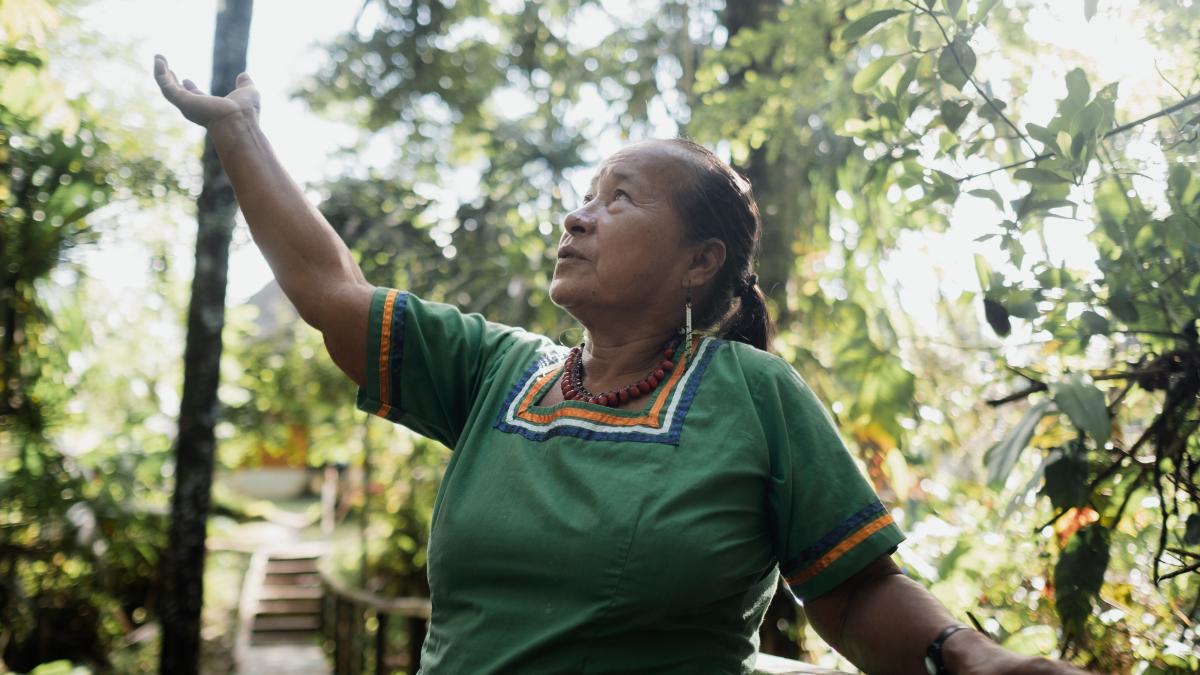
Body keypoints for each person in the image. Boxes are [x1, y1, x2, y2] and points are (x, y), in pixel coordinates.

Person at [154, 55, 1092, 675]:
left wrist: (973, 655)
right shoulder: (493, 374)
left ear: (699, 262)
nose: (577, 216)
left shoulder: (755, 396)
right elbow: (330, 290)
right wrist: (238, 132)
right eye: (585, 195)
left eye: (620, 199)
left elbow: (850, 594)